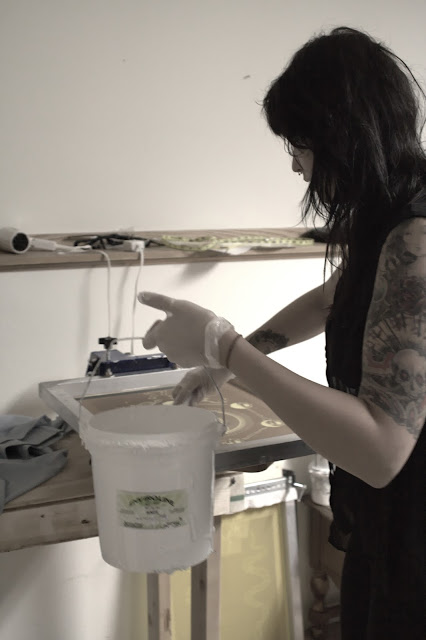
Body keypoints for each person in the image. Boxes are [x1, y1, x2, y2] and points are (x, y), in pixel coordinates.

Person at [139, 27, 426, 640]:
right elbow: (330, 299)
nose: (295, 163)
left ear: (344, 136)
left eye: (300, 144)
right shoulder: (390, 210)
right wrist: (235, 353)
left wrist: (226, 347)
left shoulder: (417, 236)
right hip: (383, 525)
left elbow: (381, 451)